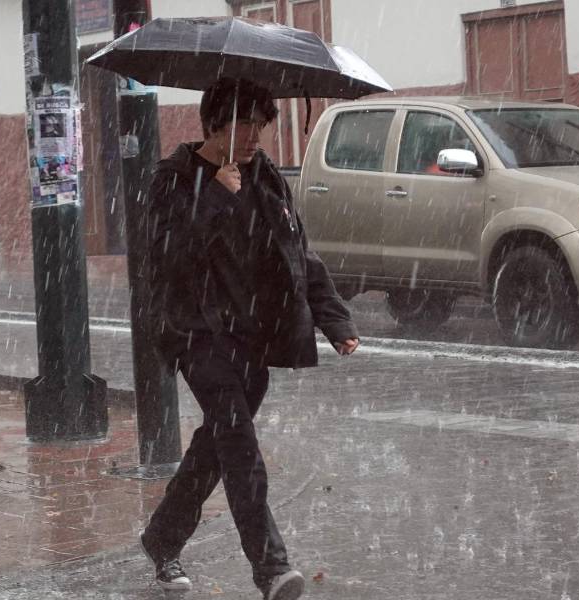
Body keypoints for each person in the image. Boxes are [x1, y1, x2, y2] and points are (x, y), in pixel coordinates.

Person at [140, 77, 360, 600]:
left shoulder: (263, 175)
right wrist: (216, 195)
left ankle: (161, 539)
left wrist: (335, 320)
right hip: (199, 334)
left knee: (216, 449)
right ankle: (272, 570)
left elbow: (296, 252)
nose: (256, 137)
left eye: (261, 126)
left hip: (255, 335)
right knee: (239, 446)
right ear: (214, 125)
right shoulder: (173, 178)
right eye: (246, 125)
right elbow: (166, 258)